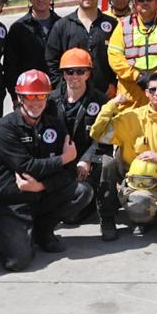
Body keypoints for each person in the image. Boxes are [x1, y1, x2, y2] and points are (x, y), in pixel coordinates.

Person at [0, 70, 93, 271]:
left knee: (82, 191)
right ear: (19, 97)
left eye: (41, 96)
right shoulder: (4, 129)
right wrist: (64, 158)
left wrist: (42, 186)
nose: (36, 102)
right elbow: (27, 166)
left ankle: (42, 231)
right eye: (29, 96)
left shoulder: (55, 124)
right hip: (7, 202)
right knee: (17, 262)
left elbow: (69, 170)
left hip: (37, 195)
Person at [89, 72, 157, 238]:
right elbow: (98, 133)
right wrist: (111, 105)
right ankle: (143, 219)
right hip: (141, 181)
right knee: (139, 203)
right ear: (146, 93)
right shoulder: (131, 118)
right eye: (153, 89)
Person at [49, 49, 108, 227]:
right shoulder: (50, 101)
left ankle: (102, 209)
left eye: (80, 71)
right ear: (63, 74)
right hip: (60, 162)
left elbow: (106, 136)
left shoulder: (100, 101)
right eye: (69, 71)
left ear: (88, 73)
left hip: (87, 164)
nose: (75, 76)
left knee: (73, 215)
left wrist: (87, 159)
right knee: (67, 214)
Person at [46, 0, 120, 96]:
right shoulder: (62, 25)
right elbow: (51, 61)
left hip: (105, 93)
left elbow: (119, 57)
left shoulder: (112, 24)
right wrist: (63, 87)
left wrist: (113, 84)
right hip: (71, 94)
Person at [4, 0, 60, 99]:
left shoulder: (62, 25)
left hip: (57, 90)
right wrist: (15, 96)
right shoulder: (18, 28)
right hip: (28, 91)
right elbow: (10, 65)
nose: (40, 0)